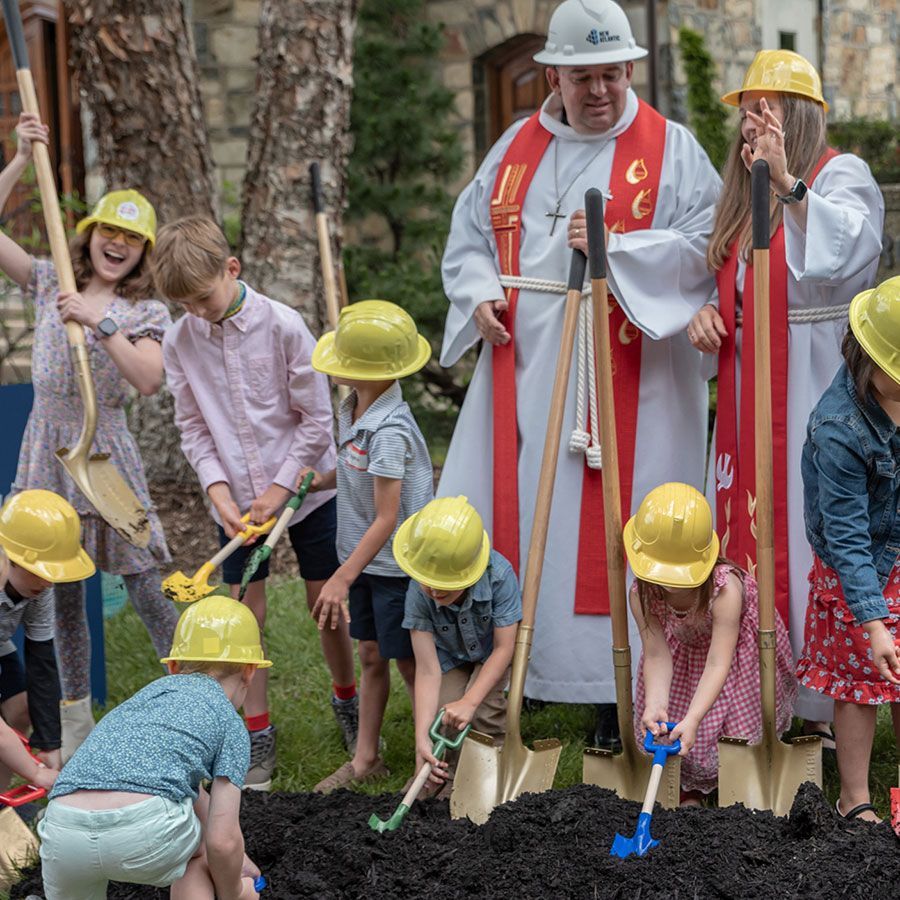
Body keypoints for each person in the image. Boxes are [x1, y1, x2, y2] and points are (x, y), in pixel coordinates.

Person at [438, 0, 720, 730]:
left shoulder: (673, 149)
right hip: (529, 377)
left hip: (636, 385)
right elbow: (469, 239)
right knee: (532, 522)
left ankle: (612, 690)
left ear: (629, 69)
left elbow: (705, 248)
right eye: (583, 78)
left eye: (612, 75)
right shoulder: (514, 149)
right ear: (553, 76)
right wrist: (476, 297)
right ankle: (523, 671)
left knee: (621, 525)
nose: (600, 92)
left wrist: (616, 249)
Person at [687, 50, 884, 744]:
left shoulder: (840, 176)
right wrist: (707, 323)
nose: (749, 134)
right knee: (749, 536)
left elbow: (849, 251)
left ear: (795, 118)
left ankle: (825, 706)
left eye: (761, 117)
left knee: (811, 536)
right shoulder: (741, 196)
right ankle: (752, 692)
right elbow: (726, 291)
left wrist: (790, 182)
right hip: (747, 397)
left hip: (814, 387)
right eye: (744, 122)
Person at [154, 216, 357, 790]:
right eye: (184, 304)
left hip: (308, 494)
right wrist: (220, 493)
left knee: (327, 605)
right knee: (244, 617)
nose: (197, 311)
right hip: (238, 505)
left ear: (232, 269)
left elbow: (318, 420)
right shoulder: (179, 340)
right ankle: (256, 732)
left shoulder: (285, 326)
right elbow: (192, 427)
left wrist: (279, 489)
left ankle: (347, 701)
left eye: (203, 297)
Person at [0, 114, 179, 760]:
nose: (116, 242)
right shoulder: (51, 279)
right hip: (48, 451)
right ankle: (73, 729)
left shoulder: (145, 311)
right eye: (109, 229)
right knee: (63, 593)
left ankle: (192, 687)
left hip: (105, 453)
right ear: (90, 233)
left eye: (131, 237)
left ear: (142, 251)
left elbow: (150, 378)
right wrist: (22, 159)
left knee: (147, 581)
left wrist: (99, 322)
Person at [37, 595, 268, 899]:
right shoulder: (228, 722)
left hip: (62, 825)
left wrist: (243, 861)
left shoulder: (146, 701)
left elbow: (190, 790)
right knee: (198, 855)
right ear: (250, 671)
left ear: (172, 666)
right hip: (143, 830)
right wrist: (234, 891)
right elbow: (222, 842)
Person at [304, 300, 434, 793]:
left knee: (410, 662)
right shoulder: (353, 408)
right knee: (373, 655)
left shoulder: (391, 431)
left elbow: (387, 517)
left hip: (395, 565)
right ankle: (367, 759)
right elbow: (357, 471)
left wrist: (342, 576)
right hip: (363, 561)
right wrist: (321, 482)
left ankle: (434, 758)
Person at [796, 277, 900, 823]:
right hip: (855, 568)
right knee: (860, 679)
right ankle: (854, 798)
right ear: (871, 361)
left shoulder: (894, 384)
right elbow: (847, 536)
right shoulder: (838, 430)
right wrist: (873, 620)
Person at [627, 483, 796, 804]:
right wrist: (656, 703)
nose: (663, 583)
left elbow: (720, 662)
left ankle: (734, 781)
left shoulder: (726, 589)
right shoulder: (642, 594)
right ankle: (690, 785)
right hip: (683, 652)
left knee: (733, 726)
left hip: (736, 657)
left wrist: (693, 719)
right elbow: (656, 654)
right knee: (674, 719)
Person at [396, 496, 521, 797]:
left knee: (483, 713)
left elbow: (505, 648)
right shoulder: (420, 588)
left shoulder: (500, 577)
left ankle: (482, 782)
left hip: (494, 654)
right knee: (443, 715)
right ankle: (436, 775)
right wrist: (420, 742)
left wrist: (470, 701)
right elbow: (426, 670)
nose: (435, 590)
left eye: (446, 583)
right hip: (449, 655)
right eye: (429, 582)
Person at [0, 491, 95, 791]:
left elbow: (42, 661)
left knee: (21, 708)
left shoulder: (39, 588)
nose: (48, 581)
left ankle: (2, 805)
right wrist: (37, 773)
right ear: (10, 558)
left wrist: (50, 742)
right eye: (42, 571)